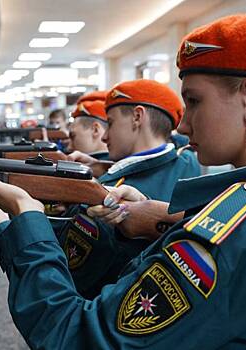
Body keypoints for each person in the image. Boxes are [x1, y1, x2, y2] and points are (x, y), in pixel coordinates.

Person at [0, 14, 246, 349]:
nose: (182, 123)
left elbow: (74, 337)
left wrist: (26, 223)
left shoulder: (231, 235)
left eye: (194, 101)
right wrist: (167, 220)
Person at [50, 80, 200, 299]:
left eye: (110, 123)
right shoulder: (185, 162)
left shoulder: (120, 188)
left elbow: (74, 278)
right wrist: (106, 168)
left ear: (138, 117)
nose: (104, 136)